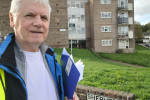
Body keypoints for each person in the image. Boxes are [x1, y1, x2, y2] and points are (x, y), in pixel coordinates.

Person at [0, 0, 79, 100]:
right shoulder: (2, 61)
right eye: (29, 15)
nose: (39, 23)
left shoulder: (52, 59)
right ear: (12, 19)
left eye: (44, 18)